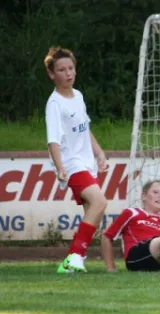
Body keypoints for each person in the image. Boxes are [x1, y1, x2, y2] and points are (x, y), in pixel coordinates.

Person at [44, 46, 109, 274]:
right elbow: (53, 141)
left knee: (94, 211)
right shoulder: (54, 104)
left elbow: (85, 129)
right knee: (100, 202)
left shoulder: (78, 96)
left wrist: (99, 153)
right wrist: (60, 168)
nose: (68, 73)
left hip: (87, 163)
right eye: (61, 70)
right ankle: (74, 256)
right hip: (72, 165)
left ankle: (74, 262)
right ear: (52, 74)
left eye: (70, 68)